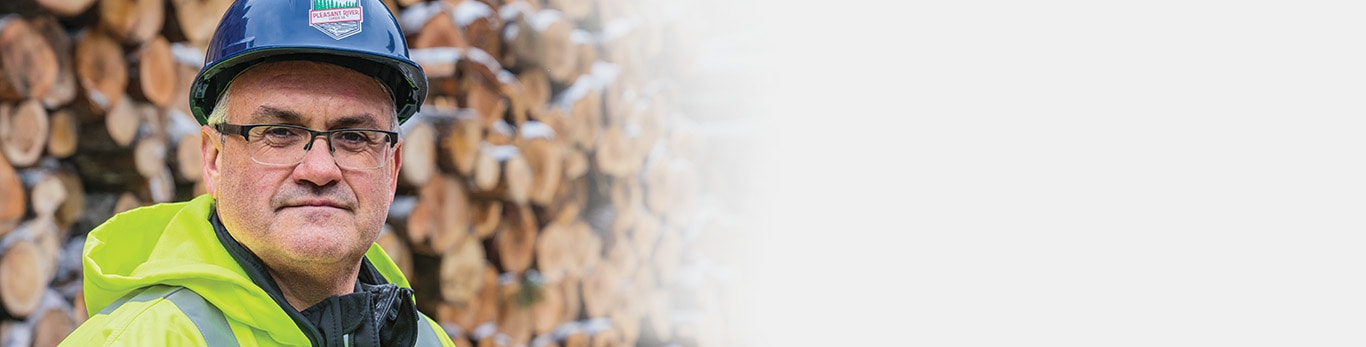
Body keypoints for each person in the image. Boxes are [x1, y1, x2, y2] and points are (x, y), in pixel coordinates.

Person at [60, 0, 454, 345]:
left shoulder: (426, 341)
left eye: (354, 136)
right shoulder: (142, 340)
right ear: (214, 159)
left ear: (392, 169)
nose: (320, 169)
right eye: (280, 133)